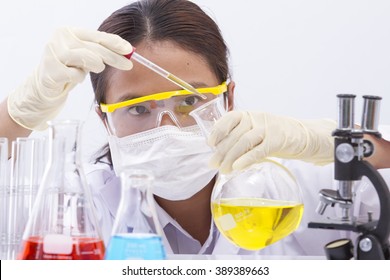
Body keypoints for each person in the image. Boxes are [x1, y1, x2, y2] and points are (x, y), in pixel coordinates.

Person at [1, 0, 389, 256]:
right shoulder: (70, 209)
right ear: (105, 119)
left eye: (190, 101)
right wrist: (19, 113)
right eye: (138, 109)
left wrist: (334, 146)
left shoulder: (296, 187)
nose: (167, 126)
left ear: (229, 99)